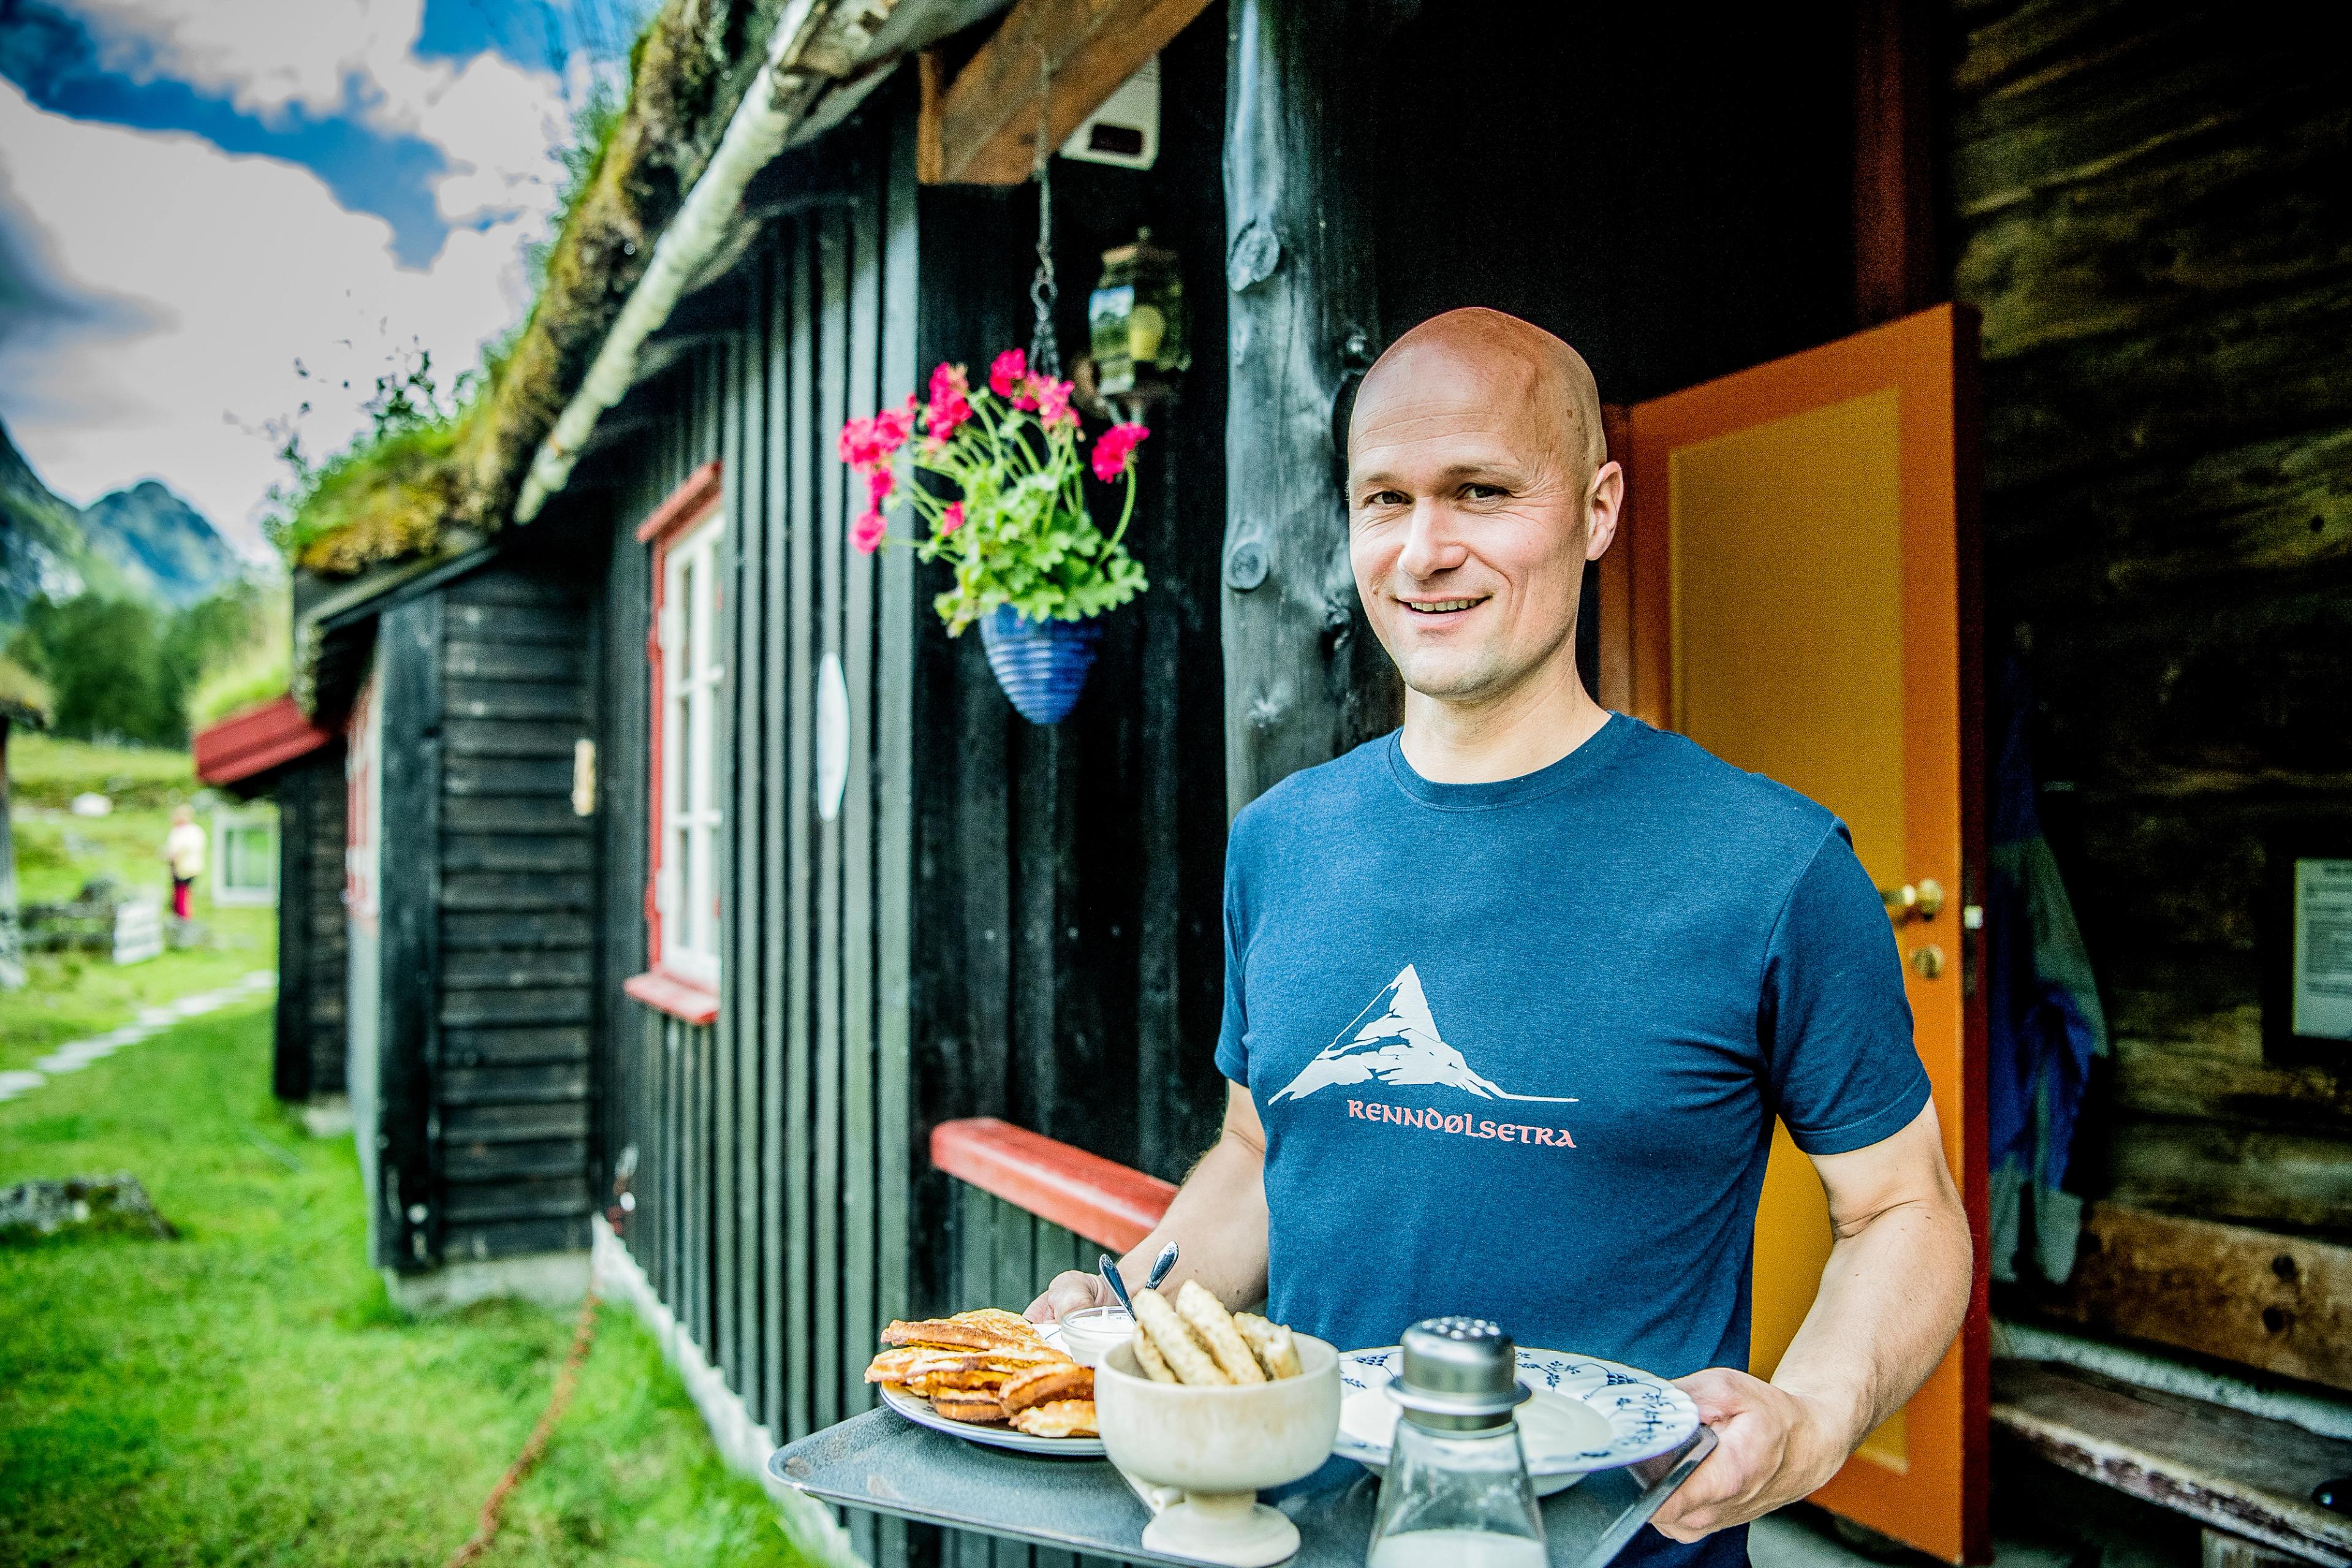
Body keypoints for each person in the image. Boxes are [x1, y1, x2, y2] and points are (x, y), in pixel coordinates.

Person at [1029, 308, 1973, 1564]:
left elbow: (1904, 1206)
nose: (1426, 549)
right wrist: (1129, 1300)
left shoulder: (1772, 865)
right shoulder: (1282, 841)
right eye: (1385, 498)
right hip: (1290, 1538)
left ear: (1596, 508)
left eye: (1481, 490)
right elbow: (1263, 1150)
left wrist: (1813, 1415)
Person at [164, 805, 205, 921]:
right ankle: (177, 919)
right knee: (177, 895)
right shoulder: (177, 831)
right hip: (176, 868)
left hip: (187, 868)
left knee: (183, 895)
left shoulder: (193, 831)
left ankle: (184, 920)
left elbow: (187, 848)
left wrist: (176, 854)